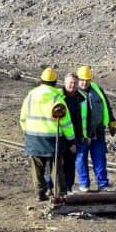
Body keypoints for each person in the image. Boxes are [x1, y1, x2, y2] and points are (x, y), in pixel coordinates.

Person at [19, 68, 75, 201]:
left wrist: (27, 132)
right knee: (56, 169)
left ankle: (40, 193)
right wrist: (71, 141)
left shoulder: (31, 95)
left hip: (33, 138)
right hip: (53, 139)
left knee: (37, 169)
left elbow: (23, 117)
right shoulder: (57, 98)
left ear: (41, 81)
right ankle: (59, 194)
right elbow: (66, 123)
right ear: (55, 82)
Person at [75, 65, 116, 192]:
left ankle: (103, 184)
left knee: (99, 157)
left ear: (90, 80)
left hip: (98, 131)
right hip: (81, 134)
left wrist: (112, 123)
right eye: (82, 80)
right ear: (78, 79)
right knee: (81, 158)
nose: (84, 82)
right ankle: (84, 185)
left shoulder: (96, 89)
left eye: (87, 80)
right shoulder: (73, 93)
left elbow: (106, 106)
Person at [60, 73, 85, 194]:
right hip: (59, 137)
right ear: (65, 83)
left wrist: (84, 135)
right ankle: (53, 188)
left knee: (70, 165)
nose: (73, 85)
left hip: (75, 137)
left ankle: (68, 188)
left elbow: (84, 119)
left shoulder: (80, 98)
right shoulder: (58, 96)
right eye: (70, 83)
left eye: (75, 83)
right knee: (56, 165)